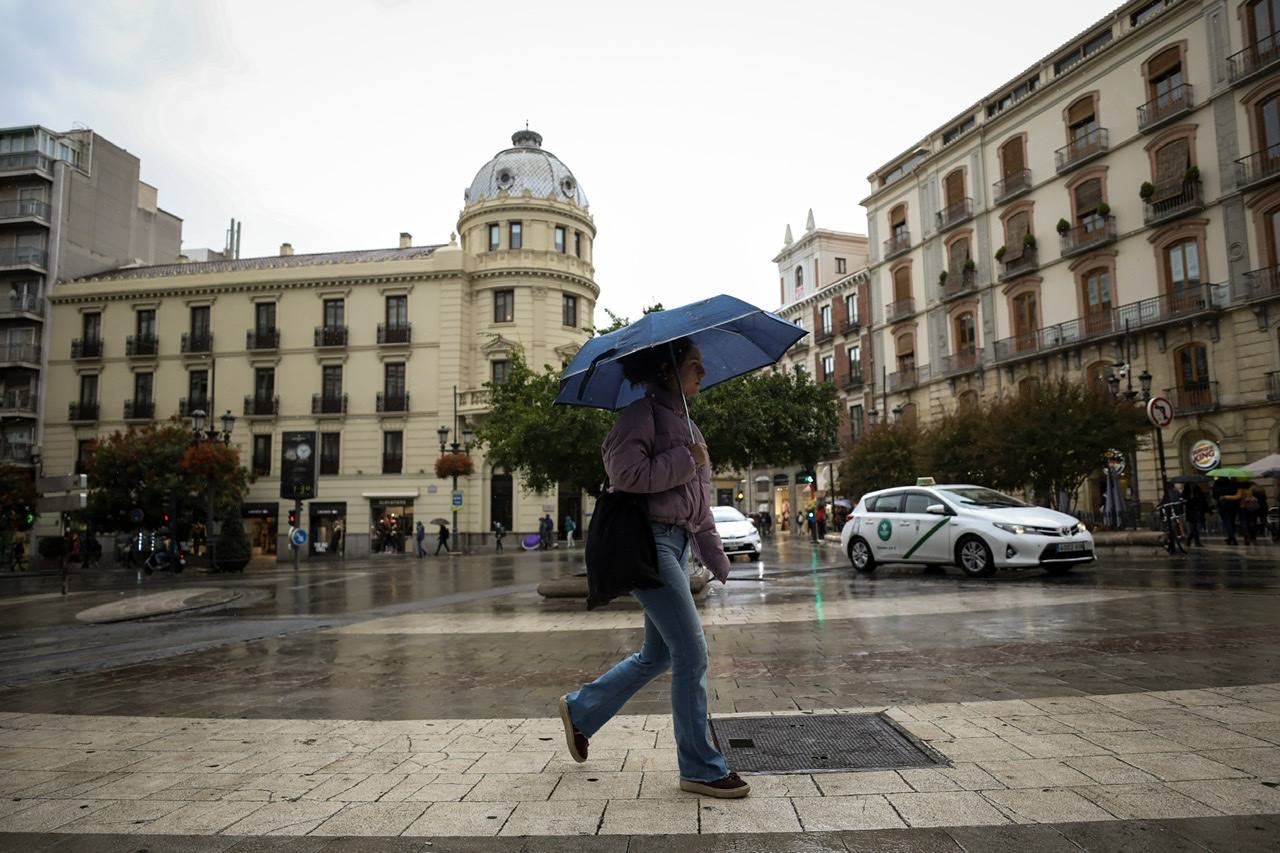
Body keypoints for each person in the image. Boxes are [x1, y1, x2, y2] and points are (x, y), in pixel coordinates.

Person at [558, 338, 749, 799]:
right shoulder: (639, 415)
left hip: (678, 545)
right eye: (695, 365)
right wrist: (687, 459)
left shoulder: (690, 426)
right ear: (667, 370)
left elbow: (699, 505)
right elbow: (625, 475)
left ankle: (581, 710)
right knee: (692, 652)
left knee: (659, 654)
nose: (702, 373)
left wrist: (716, 557)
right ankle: (700, 767)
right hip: (650, 543)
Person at [1213, 476, 1241, 546]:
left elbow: (1214, 496)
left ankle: (1232, 537)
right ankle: (1231, 537)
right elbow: (1235, 492)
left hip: (1222, 505)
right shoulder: (1231, 483)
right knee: (1232, 522)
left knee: (1226, 522)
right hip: (1233, 505)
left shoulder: (1217, 483)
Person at [1182, 483, 1206, 548]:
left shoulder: (1198, 490)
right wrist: (1188, 500)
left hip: (1197, 511)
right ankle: (1194, 541)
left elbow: (1203, 499)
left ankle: (1193, 540)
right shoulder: (1186, 491)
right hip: (1190, 512)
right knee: (1193, 528)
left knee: (1197, 527)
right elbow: (1182, 500)